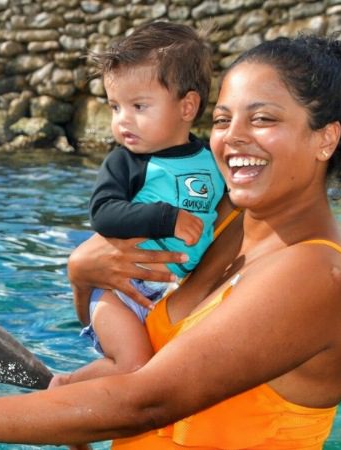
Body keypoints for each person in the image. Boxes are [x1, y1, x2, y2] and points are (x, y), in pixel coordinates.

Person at [0, 33, 341, 450]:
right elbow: (123, 336)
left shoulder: (315, 275)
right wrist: (82, 278)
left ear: (326, 137)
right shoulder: (222, 223)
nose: (233, 137)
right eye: (222, 118)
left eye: (263, 118)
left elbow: (147, 401)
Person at [61, 21, 225, 383]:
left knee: (166, 374)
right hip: (119, 292)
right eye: (115, 107)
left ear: (188, 107)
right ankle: (64, 387)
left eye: (138, 106)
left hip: (170, 290)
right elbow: (103, 215)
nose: (122, 121)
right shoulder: (125, 162)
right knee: (134, 368)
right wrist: (166, 219)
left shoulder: (213, 159)